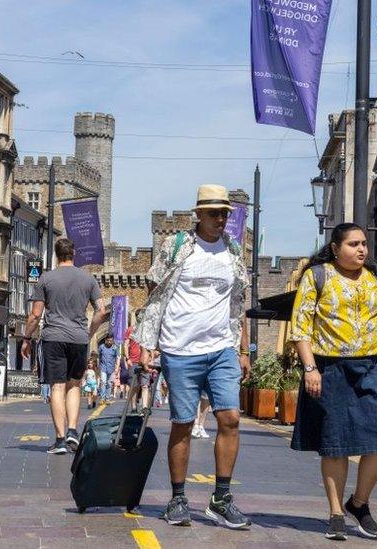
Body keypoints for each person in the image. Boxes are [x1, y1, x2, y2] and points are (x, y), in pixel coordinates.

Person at [134, 184, 252, 530]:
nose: (220, 219)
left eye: (225, 213)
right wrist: (147, 342)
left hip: (221, 349)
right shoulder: (176, 247)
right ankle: (178, 498)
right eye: (214, 212)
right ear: (197, 214)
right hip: (180, 349)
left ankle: (221, 498)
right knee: (183, 424)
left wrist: (242, 348)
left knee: (230, 419)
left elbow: (238, 300)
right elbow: (153, 290)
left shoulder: (232, 251)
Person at [288, 222, 377, 541]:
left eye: (364, 243)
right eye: (353, 244)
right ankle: (337, 513)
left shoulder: (376, 280)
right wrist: (310, 368)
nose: (361, 249)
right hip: (330, 368)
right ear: (336, 248)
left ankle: (359, 503)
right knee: (335, 446)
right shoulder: (318, 275)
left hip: (369, 368)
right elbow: (301, 326)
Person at [22, 238, 108, 455]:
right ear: (74, 254)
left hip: (53, 338)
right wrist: (89, 333)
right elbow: (101, 311)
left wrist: (26, 338)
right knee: (75, 385)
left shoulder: (46, 279)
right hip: (79, 338)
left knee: (57, 387)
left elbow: (35, 315)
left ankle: (60, 440)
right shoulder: (88, 279)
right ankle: (72, 431)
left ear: (56, 254)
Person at [97, 334, 119, 404]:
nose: (109, 342)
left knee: (109, 383)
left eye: (111, 341)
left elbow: (117, 358)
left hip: (111, 368)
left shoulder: (115, 348)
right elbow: (99, 357)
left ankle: (107, 398)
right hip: (103, 367)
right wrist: (98, 366)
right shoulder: (101, 347)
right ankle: (102, 398)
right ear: (105, 340)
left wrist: (117, 367)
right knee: (103, 382)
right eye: (108, 340)